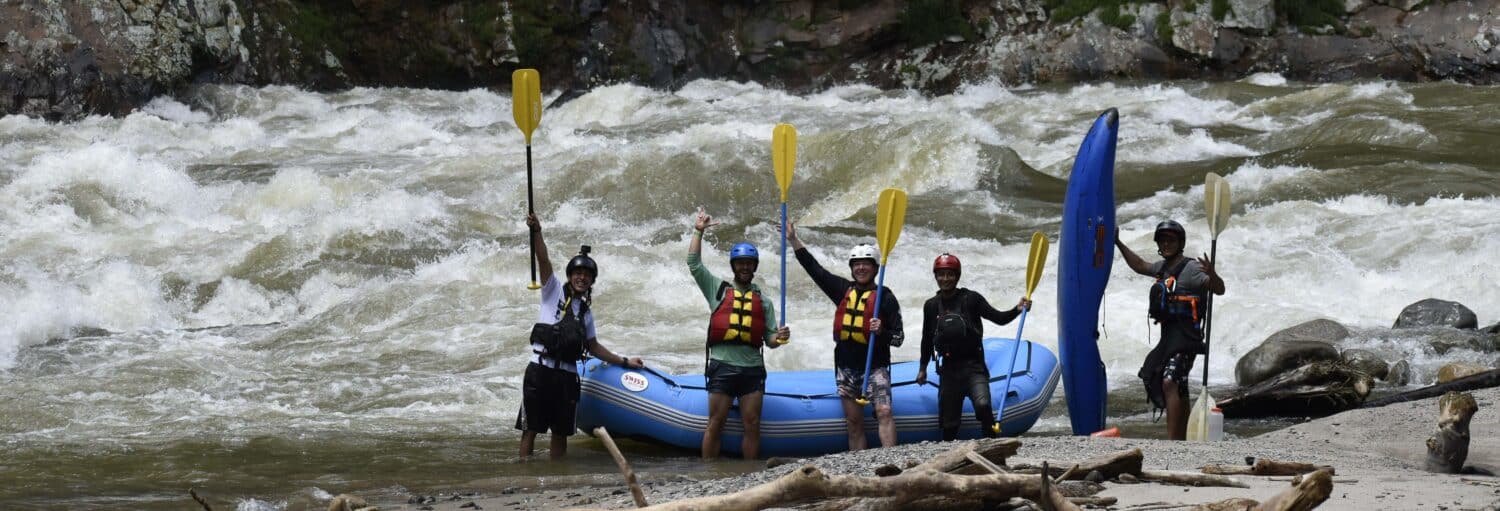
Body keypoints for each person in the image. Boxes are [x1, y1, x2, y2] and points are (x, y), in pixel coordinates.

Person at [518, 213, 644, 460]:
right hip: (540, 370)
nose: (582, 277)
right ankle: (525, 476)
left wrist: (626, 362)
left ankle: (556, 480)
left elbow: (594, 347)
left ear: (591, 282)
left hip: (566, 376)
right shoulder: (552, 291)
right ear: (569, 275)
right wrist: (537, 232)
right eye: (578, 273)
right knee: (529, 429)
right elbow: (542, 258)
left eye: (587, 275)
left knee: (560, 433)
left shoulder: (585, 313)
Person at [785, 220, 904, 450]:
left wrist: (882, 331)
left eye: (866, 264)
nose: (861, 268)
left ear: (876, 268)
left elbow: (899, 338)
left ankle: (890, 459)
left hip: (876, 367)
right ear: (851, 268)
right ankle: (858, 466)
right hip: (846, 368)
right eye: (856, 264)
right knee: (853, 421)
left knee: (885, 411)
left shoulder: (885, 298)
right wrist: (793, 240)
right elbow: (815, 270)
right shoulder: (842, 290)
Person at [687, 208, 791, 460]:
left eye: (749, 264)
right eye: (740, 263)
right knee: (716, 423)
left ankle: (749, 474)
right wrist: (698, 231)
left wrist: (780, 337)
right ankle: (709, 472)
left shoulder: (763, 301)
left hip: (752, 369)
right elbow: (694, 264)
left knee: (752, 424)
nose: (745, 267)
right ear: (734, 266)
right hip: (722, 366)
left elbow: (770, 340)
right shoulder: (718, 289)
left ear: (754, 267)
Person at [1115, 220, 1225, 441]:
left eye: (1171, 240)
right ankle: (1182, 438)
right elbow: (1140, 265)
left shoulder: (1192, 268)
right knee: (1160, 376)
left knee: (1170, 381)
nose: (1166, 244)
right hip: (1168, 338)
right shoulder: (1162, 268)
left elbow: (1219, 289)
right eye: (1162, 240)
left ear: (1180, 243)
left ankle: (1173, 442)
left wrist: (1212, 275)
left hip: (1187, 338)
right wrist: (1118, 242)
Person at [915, 253, 1031, 441]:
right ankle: (951, 457)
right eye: (941, 274)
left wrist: (1017, 309)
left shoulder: (971, 299)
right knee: (949, 424)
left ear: (957, 276)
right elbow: (926, 339)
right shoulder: (931, 306)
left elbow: (998, 319)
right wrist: (922, 369)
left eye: (950, 274)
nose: (945, 279)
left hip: (974, 367)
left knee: (984, 406)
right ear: (935, 276)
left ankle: (991, 446)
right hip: (949, 370)